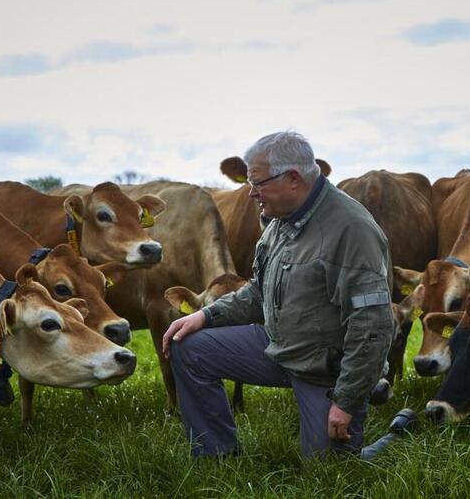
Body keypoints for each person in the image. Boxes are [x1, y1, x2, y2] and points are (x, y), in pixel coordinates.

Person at [162, 131, 394, 458]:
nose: (250, 193)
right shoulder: (279, 220)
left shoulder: (352, 229)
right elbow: (259, 290)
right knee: (188, 346)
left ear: (293, 179)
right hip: (278, 348)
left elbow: (372, 327)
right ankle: (216, 456)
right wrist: (206, 315)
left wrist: (346, 402)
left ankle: (389, 440)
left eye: (258, 183)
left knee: (328, 474)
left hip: (325, 370)